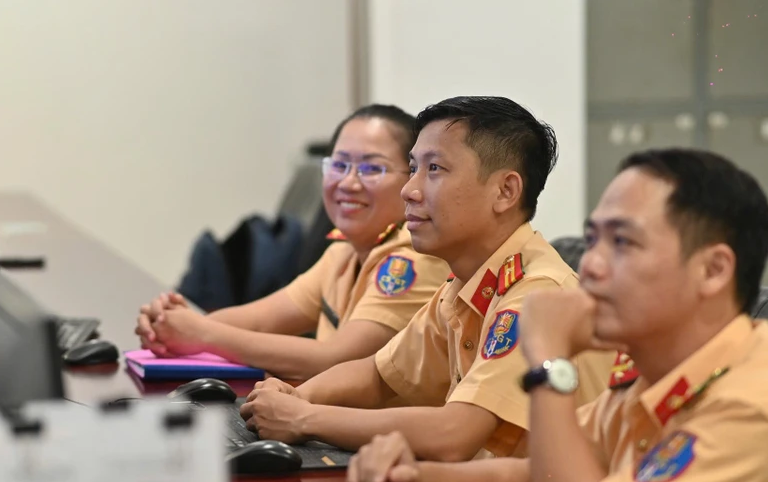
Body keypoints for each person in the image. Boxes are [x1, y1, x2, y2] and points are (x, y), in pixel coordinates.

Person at [345, 148, 768, 482]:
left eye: (622, 243)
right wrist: (415, 479)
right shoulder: (654, 377)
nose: (592, 265)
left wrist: (550, 360)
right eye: (593, 239)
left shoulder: (753, 406)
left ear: (712, 271)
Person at [238, 96, 615, 462]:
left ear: (505, 191)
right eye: (413, 167)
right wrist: (297, 396)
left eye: (434, 169)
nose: (409, 190)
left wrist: (304, 418)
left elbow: (455, 434)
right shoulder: (464, 284)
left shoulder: (536, 295)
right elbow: (379, 374)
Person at [134, 104, 449, 380]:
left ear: (411, 178)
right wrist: (170, 325)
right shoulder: (342, 254)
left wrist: (201, 332)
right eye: (339, 165)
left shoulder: (411, 260)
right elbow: (257, 322)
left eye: (371, 168)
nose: (349, 183)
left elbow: (337, 360)